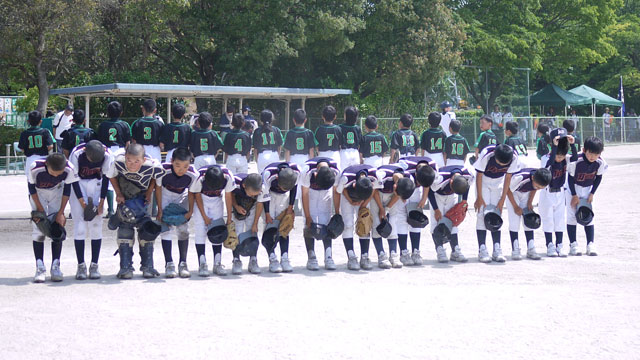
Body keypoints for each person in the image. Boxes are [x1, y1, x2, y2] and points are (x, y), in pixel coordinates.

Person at [107, 144, 166, 279]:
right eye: (129, 160)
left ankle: (148, 266)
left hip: (143, 201)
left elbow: (157, 183)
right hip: (126, 199)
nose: (132, 164)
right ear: (125, 157)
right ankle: (125, 267)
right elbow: (111, 176)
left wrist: (156, 203)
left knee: (147, 232)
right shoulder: (117, 162)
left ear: (143, 159)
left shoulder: (153, 166)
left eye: (136, 161)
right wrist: (118, 193)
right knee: (124, 233)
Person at [29, 153, 79, 282]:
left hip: (57, 191)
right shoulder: (35, 167)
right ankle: (39, 267)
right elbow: (31, 189)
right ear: (47, 165)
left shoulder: (69, 168)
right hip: (38, 192)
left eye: (59, 173)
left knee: (57, 227)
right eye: (53, 172)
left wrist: (61, 212)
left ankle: (55, 265)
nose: (56, 175)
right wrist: (39, 209)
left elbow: (67, 190)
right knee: (38, 228)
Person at [68, 141, 113, 280]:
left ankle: (94, 264)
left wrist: (101, 201)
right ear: (86, 152)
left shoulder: (107, 155)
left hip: (96, 184)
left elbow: (106, 177)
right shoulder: (76, 153)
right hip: (79, 184)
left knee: (96, 225)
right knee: (80, 226)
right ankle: (81, 265)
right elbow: (73, 179)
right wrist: (82, 202)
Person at [473, 144, 520, 263]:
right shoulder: (487, 154)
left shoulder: (513, 157)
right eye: (499, 163)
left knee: (496, 214)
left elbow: (508, 178)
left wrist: (502, 199)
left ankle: (497, 249)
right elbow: (479, 175)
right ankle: (482, 249)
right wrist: (479, 197)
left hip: (499, 182)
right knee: (482, 213)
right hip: (483, 181)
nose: (500, 166)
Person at [156, 148, 198, 278]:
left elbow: (191, 193)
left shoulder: (193, 174)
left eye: (186, 166)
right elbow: (157, 189)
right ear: (172, 161)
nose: (181, 169)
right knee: (166, 229)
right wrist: (159, 210)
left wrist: (190, 211)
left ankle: (183, 263)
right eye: (178, 165)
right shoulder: (163, 170)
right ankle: (169, 263)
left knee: (183, 228)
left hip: (182, 196)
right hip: (165, 195)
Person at [190, 164, 235, 276]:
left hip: (217, 201)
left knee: (218, 230)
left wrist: (229, 218)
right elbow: (197, 196)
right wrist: (204, 216)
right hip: (202, 200)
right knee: (200, 231)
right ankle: (202, 263)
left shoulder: (228, 176)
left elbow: (228, 196)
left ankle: (217, 263)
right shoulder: (199, 176)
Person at [255, 162, 300, 273]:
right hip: (269, 195)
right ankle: (272, 258)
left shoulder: (296, 171)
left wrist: (291, 206)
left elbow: (294, 188)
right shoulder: (268, 174)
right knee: (269, 227)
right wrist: (267, 213)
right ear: (277, 178)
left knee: (284, 227)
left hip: (284, 197)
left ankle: (285, 257)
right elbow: (264, 195)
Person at [539, 129, 578, 257]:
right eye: (558, 155)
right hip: (547, 193)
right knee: (548, 220)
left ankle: (559, 245)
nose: (560, 157)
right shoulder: (546, 158)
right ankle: (550, 245)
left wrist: (572, 144)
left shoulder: (565, 159)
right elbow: (550, 164)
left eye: (562, 155)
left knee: (560, 220)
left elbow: (575, 158)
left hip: (560, 193)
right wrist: (554, 147)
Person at [370, 164, 416, 269]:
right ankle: (381, 255)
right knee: (377, 223)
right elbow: (374, 191)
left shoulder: (408, 179)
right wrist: (381, 209)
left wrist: (387, 209)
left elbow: (398, 195)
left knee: (393, 222)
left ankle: (393, 254)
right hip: (377, 195)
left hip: (392, 196)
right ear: (395, 186)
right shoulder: (381, 175)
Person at [567, 137, 607, 256]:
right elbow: (570, 178)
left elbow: (599, 177)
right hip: (573, 188)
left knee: (588, 215)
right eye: (590, 153)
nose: (593, 157)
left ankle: (590, 244)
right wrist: (574, 195)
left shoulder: (600, 162)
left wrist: (592, 193)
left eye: (596, 154)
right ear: (584, 150)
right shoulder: (576, 160)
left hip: (587, 189)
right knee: (572, 216)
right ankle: (573, 244)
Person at [300, 157, 340, 270]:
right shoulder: (307, 170)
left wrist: (337, 212)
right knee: (309, 223)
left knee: (326, 221)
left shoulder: (336, 170)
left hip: (325, 193)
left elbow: (336, 191)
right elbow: (304, 194)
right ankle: (311, 257)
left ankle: (328, 256)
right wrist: (307, 216)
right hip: (311, 192)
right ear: (316, 175)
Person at [334, 164, 376, 270]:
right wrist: (349, 200)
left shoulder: (374, 175)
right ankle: (351, 256)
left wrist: (363, 205)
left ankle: (365, 256)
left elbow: (374, 190)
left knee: (365, 222)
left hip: (363, 199)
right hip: (347, 196)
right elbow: (340, 190)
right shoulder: (346, 178)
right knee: (348, 225)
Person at [397, 156, 438, 265]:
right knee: (401, 218)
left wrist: (424, 197)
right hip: (404, 185)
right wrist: (401, 196)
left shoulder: (432, 166)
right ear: (416, 175)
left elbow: (427, 182)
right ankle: (403, 252)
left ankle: (416, 251)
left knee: (416, 218)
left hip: (416, 191)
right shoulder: (404, 166)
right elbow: (398, 181)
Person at [428, 165, 474, 262]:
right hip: (437, 196)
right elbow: (429, 191)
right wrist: (436, 209)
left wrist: (464, 201)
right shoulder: (439, 178)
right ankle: (439, 249)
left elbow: (467, 186)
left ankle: (455, 250)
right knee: (436, 222)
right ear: (451, 181)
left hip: (450, 197)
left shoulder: (468, 175)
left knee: (453, 221)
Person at [505, 167, 552, 260]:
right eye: (538, 186)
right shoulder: (521, 178)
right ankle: (515, 249)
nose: (539, 189)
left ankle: (531, 248)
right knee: (514, 220)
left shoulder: (538, 179)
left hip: (526, 193)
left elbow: (534, 188)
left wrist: (530, 201)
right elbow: (507, 189)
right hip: (513, 193)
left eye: (541, 188)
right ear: (533, 178)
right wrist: (515, 207)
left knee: (529, 219)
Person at [97, 101, 131, 218]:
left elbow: (99, 143)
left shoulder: (103, 125)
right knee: (121, 179)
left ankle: (110, 210)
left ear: (107, 113)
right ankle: (119, 208)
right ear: (121, 112)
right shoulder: (124, 124)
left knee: (108, 179)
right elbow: (127, 143)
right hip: (120, 151)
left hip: (107, 151)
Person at [228, 173, 263, 275]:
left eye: (255, 195)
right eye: (252, 194)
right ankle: (236, 260)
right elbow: (230, 194)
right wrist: (236, 206)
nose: (253, 195)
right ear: (244, 186)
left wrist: (255, 223)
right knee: (236, 232)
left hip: (252, 207)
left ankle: (253, 259)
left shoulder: (261, 187)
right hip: (237, 204)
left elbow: (260, 204)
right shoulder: (235, 182)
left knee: (251, 232)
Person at [315, 105, 343, 170]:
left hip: (322, 155)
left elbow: (316, 144)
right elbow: (341, 144)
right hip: (335, 155)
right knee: (336, 177)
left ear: (323, 116)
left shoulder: (319, 129)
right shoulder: (338, 129)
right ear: (335, 117)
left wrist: (318, 153)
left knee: (322, 176)